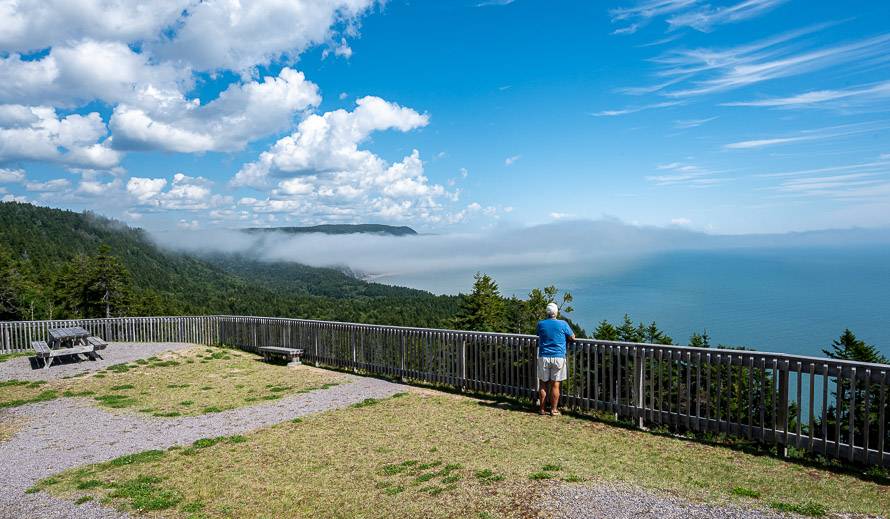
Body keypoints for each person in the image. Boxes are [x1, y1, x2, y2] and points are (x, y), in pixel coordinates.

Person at [536, 302, 575, 416]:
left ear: (547, 312)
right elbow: (572, 337)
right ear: (556, 312)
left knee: (543, 383)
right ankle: (553, 410)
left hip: (544, 356)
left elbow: (538, 334)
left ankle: (542, 409)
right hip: (558, 357)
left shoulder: (541, 324)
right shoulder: (563, 324)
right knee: (555, 385)